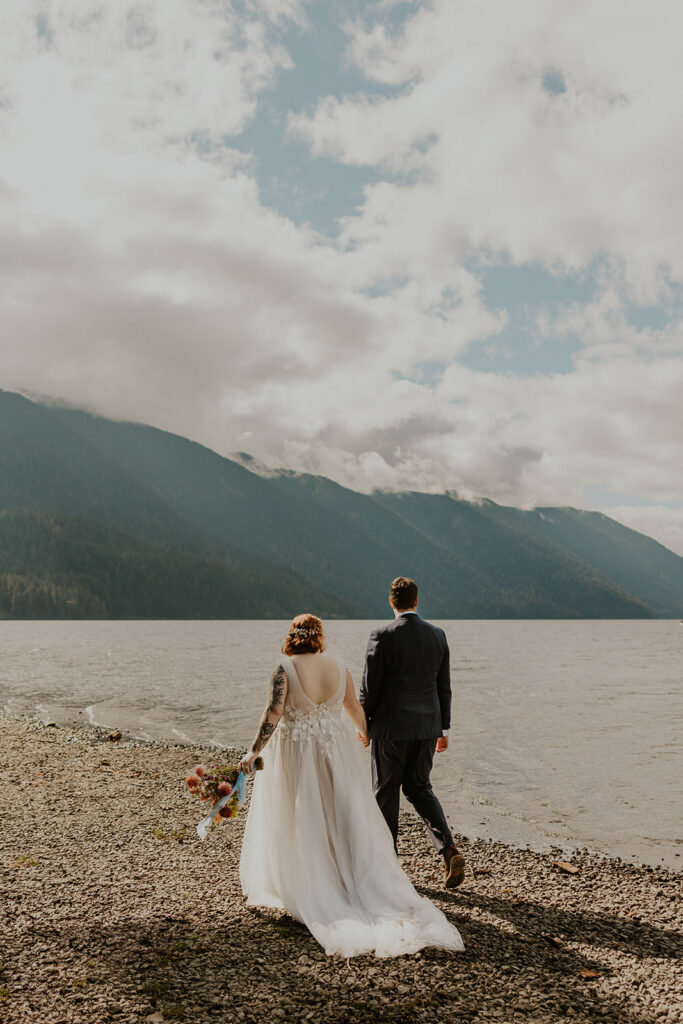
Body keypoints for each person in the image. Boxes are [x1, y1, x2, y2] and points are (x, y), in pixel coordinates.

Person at [238, 613, 464, 958]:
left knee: (298, 815)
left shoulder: (284, 668)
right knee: (335, 812)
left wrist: (254, 751)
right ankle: (343, 876)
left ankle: (309, 881)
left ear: (292, 636)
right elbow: (354, 708)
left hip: (296, 755)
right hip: (332, 755)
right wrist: (366, 732)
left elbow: (273, 712)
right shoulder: (338, 667)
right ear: (319, 637)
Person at [359, 577, 466, 888]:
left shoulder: (381, 635)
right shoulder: (437, 635)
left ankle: (388, 864)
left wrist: (364, 725)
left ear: (391, 602)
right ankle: (447, 848)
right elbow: (444, 687)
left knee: (386, 792)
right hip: (426, 728)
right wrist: (443, 729)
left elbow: (370, 687)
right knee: (420, 787)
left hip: (390, 729)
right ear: (417, 602)